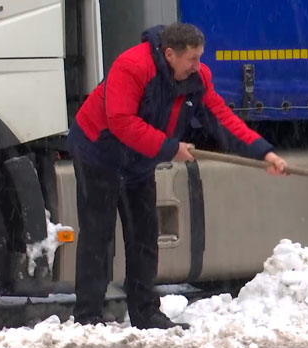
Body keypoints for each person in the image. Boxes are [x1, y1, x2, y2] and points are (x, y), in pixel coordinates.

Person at [66, 23, 286, 329]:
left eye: (200, 58)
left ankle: (146, 313)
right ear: (170, 54)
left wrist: (264, 152)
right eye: (192, 59)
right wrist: (169, 147)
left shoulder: (197, 78)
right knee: (98, 235)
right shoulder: (132, 67)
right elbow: (121, 122)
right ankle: (88, 316)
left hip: (140, 161)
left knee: (144, 236)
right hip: (99, 153)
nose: (198, 66)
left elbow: (222, 118)